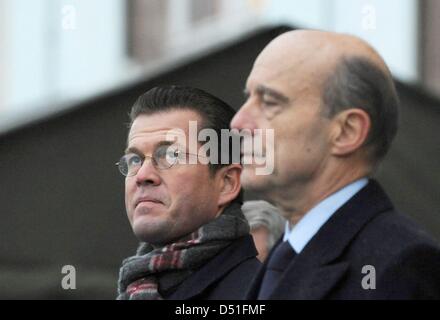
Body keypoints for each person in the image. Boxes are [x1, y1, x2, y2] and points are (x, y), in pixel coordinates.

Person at [231, 29, 440, 299]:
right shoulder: (283, 254)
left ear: (346, 132)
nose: (238, 122)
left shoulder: (398, 265)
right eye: (248, 98)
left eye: (270, 101)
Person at [116, 85, 260, 300]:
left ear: (227, 183)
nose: (142, 175)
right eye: (135, 159)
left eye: (170, 156)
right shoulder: (136, 288)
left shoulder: (262, 293)